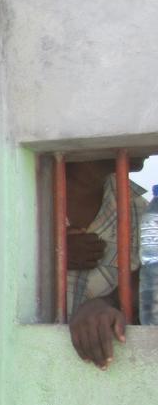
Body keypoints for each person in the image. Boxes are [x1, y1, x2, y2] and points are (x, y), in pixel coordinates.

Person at [67, 158, 148, 369]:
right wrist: (46, 253)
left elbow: (151, 277)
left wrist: (113, 301)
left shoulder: (138, 208)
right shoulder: (17, 194)